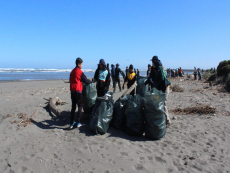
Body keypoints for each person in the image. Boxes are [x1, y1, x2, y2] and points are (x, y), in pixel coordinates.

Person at [140, 56, 172, 127]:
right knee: (158, 103)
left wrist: (155, 86)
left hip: (165, 87)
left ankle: (168, 121)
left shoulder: (160, 68)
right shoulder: (153, 69)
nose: (152, 63)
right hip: (160, 88)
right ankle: (161, 120)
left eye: (152, 62)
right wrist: (144, 84)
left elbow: (162, 79)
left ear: (155, 62)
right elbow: (150, 78)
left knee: (163, 104)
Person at [69, 57, 92, 129]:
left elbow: (70, 79)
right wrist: (91, 81)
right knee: (80, 106)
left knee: (73, 107)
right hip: (78, 91)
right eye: (81, 64)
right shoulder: (80, 72)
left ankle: (71, 122)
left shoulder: (72, 71)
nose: (82, 65)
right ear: (78, 64)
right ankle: (78, 122)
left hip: (72, 91)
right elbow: (85, 80)